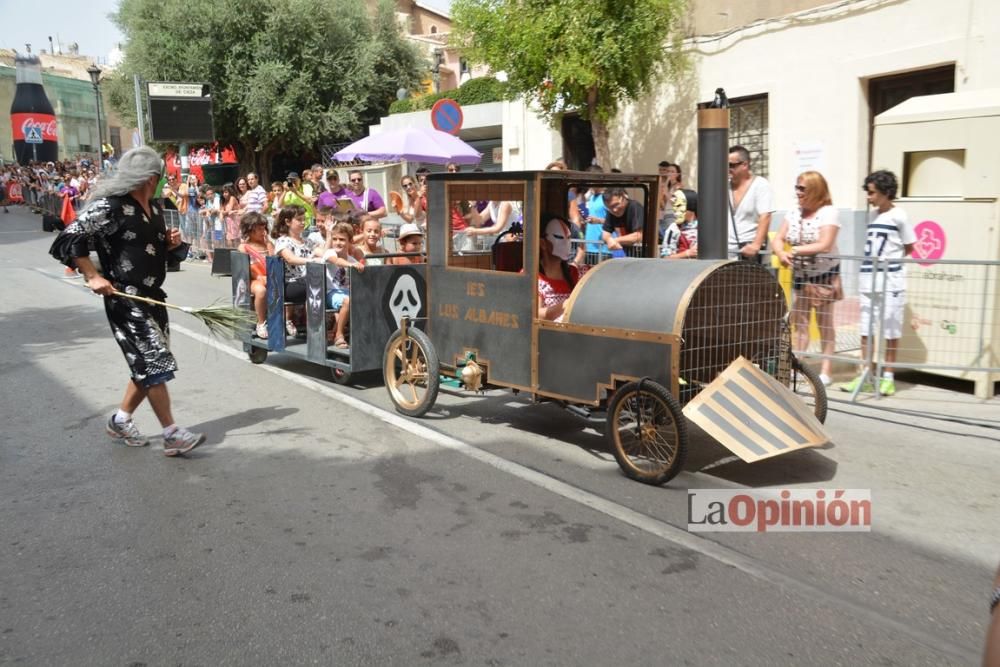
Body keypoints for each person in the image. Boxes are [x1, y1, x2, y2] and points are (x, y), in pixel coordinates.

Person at [48, 145, 205, 456]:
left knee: (146, 364)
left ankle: (120, 420)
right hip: (124, 296)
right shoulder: (111, 206)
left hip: (155, 299)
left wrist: (171, 244)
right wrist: (92, 275)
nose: (161, 182)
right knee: (154, 360)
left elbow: (153, 253)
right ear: (150, 177)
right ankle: (172, 433)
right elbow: (69, 237)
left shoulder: (157, 209)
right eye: (159, 177)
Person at [841, 170, 916, 396]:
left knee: (891, 328)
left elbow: (909, 246)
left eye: (872, 192)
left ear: (886, 192)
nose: (868, 197)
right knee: (866, 328)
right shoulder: (872, 216)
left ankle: (888, 376)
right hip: (869, 279)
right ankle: (865, 373)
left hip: (891, 280)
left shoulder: (899, 216)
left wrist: (890, 262)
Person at [772, 171, 842, 387]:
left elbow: (825, 243)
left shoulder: (828, 212)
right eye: (797, 187)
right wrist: (781, 253)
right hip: (801, 275)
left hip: (824, 275)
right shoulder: (794, 213)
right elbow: (778, 238)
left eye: (802, 188)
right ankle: (799, 366)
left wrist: (794, 251)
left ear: (815, 189)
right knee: (800, 322)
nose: (798, 192)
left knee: (824, 323)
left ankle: (826, 369)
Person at [271, 205, 316, 337]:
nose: (303, 223)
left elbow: (324, 252)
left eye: (304, 219)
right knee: (315, 283)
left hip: (307, 281)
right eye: (299, 220)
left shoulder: (308, 241)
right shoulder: (282, 241)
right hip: (290, 284)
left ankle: (318, 326)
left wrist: (330, 234)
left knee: (320, 282)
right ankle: (313, 328)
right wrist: (312, 261)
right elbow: (290, 259)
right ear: (288, 221)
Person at [321, 221, 365, 348]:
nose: (337, 242)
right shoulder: (330, 253)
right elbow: (337, 261)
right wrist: (352, 265)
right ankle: (339, 335)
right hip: (330, 292)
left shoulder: (352, 260)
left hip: (346, 292)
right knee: (348, 300)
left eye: (342, 239)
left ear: (350, 241)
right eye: (334, 239)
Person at [728, 145, 774, 262]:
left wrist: (756, 245)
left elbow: (765, 216)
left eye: (731, 165)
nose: (728, 169)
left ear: (745, 164)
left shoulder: (760, 185)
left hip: (747, 250)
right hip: (727, 250)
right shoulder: (724, 186)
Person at [538, 215, 588, 322]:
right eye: (559, 237)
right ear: (543, 243)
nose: (566, 242)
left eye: (569, 237)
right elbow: (535, 315)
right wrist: (568, 303)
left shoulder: (574, 273)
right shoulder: (532, 278)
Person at [237, 212, 274, 339]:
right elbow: (245, 266)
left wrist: (269, 244)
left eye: (263, 227)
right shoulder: (244, 247)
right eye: (258, 228)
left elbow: (274, 260)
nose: (262, 231)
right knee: (261, 290)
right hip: (253, 280)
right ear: (250, 230)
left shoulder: (268, 244)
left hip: (270, 277)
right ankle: (261, 323)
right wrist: (258, 277)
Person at [601, 187, 644, 254]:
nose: (614, 210)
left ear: (624, 198)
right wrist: (609, 240)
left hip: (646, 254)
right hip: (630, 254)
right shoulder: (611, 212)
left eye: (616, 205)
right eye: (610, 207)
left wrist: (616, 240)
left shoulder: (635, 207)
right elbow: (605, 234)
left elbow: (639, 236)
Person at [661, 189, 699, 259]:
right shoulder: (673, 228)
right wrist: (687, 253)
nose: (675, 210)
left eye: (678, 206)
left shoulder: (706, 227)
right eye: (674, 206)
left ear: (690, 206)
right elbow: (666, 257)